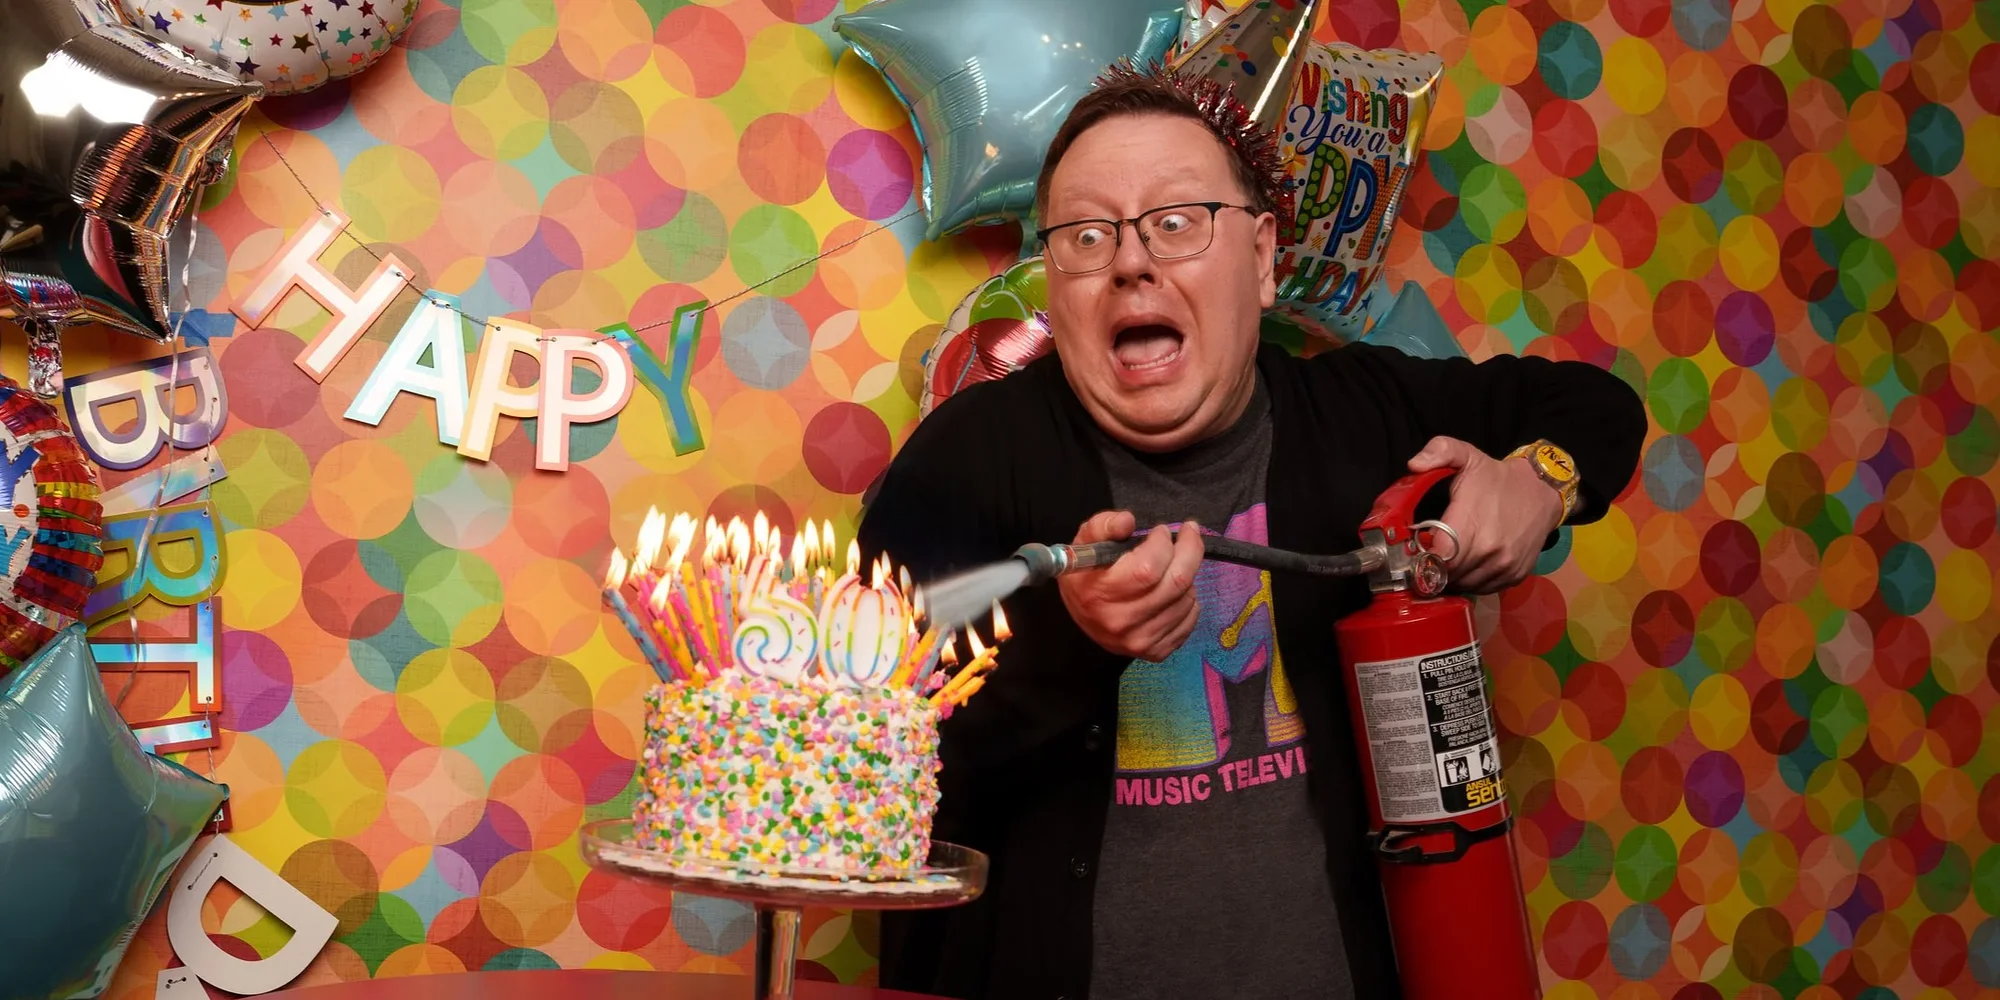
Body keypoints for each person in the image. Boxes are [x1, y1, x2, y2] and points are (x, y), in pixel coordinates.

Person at [857, 63, 1646, 1000]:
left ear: (1265, 259)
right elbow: (866, 780)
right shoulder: (964, 462)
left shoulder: (1363, 410)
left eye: (1177, 222)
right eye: (1087, 236)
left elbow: (1597, 406)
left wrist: (1542, 478)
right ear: (1055, 284)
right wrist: (1070, 642)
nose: (1131, 262)